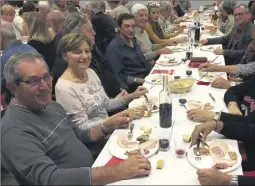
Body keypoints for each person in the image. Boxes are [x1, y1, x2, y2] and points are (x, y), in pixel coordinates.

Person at [1, 52, 152, 185]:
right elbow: (51, 178)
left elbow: (78, 135)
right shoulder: (13, 131)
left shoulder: (51, 105)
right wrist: (118, 171)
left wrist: (107, 126)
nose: (45, 86)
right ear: (12, 87)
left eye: (46, 77)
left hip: (94, 167)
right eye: (33, 81)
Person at [188, 45, 255, 170]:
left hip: (252, 151)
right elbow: (232, 91)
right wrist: (233, 106)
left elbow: (252, 126)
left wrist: (216, 117)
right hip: (237, 133)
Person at [55, 33, 147, 131]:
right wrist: (120, 116)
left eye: (87, 51)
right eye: (77, 52)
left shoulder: (90, 72)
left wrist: (133, 96)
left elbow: (106, 105)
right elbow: (82, 128)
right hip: (98, 139)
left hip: (112, 126)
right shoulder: (64, 88)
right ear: (64, 56)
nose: (85, 56)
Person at [53, 12, 122, 99]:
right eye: (90, 30)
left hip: (114, 96)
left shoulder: (93, 48)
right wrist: (118, 101)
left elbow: (109, 69)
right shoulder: (68, 63)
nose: (94, 33)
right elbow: (89, 101)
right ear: (77, 35)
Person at [211, 16, 255, 88]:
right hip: (243, 77)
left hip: (252, 86)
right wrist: (239, 77)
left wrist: (234, 83)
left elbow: (254, 74)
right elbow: (244, 60)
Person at [106, 13, 152, 92]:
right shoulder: (114, 48)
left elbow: (143, 61)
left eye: (133, 26)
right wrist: (140, 80)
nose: (131, 30)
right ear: (119, 27)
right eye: (127, 26)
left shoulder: (133, 40)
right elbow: (120, 76)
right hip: (135, 87)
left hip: (147, 78)